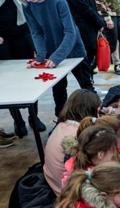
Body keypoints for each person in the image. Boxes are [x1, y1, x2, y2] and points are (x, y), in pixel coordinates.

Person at [23, 0, 95, 118]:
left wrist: (57, 56)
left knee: (86, 86)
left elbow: (70, 32)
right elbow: (36, 32)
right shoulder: (27, 6)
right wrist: (41, 56)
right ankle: (61, 119)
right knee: (58, 91)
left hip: (74, 51)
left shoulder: (59, 2)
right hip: (52, 52)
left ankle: (94, 116)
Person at [43, 90, 102, 196]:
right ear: (91, 111)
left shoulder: (62, 125)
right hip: (68, 192)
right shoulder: (80, 134)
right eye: (98, 111)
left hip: (53, 182)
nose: (99, 115)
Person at [0, 0, 43, 138]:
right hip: (3, 41)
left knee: (31, 78)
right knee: (8, 83)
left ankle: (34, 117)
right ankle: (17, 120)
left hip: (23, 36)